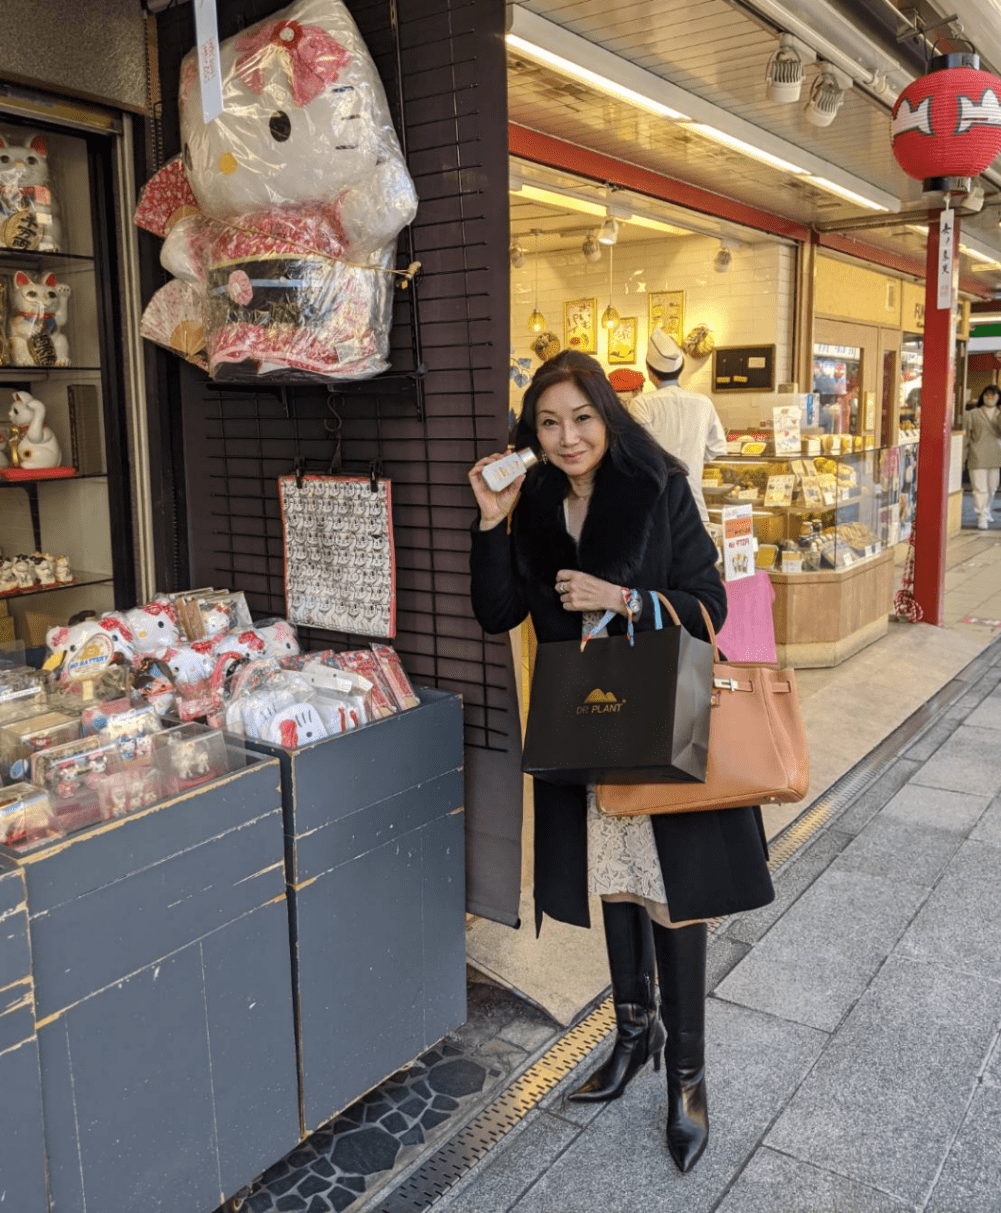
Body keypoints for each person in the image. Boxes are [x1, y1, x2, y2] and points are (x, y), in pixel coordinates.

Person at [467, 351, 774, 1174]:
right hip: (582, 727)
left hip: (660, 722)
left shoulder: (658, 484)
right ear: (530, 433)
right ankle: (632, 1034)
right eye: (548, 423)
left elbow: (708, 604)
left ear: (608, 415)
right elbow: (497, 610)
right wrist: (492, 519)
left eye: (581, 418)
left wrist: (623, 598)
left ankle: (688, 1074)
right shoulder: (528, 498)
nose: (567, 438)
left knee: (673, 891)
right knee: (616, 880)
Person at [629, 329, 727, 524]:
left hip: (655, 509)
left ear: (650, 371)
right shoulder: (703, 402)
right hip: (694, 510)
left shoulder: (641, 404)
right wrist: (692, 459)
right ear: (681, 368)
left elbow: (637, 454)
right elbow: (717, 448)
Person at [965, 384, 1001, 529]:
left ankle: (986, 511)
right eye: (987, 395)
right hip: (977, 454)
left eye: (993, 395)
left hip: (995, 455)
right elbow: (967, 436)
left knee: (992, 488)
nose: (990, 397)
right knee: (980, 489)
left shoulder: (999, 414)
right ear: (982, 397)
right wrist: (962, 458)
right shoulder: (973, 414)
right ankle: (981, 516)